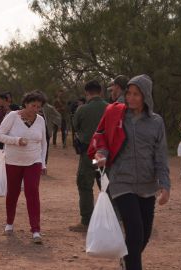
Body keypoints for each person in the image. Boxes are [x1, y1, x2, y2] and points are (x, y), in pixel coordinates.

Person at [92, 74, 171, 270]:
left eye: (137, 94)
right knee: (135, 231)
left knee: (143, 235)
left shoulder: (156, 122)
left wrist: (165, 185)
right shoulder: (114, 114)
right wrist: (100, 155)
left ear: (146, 96)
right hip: (121, 181)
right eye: (129, 93)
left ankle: (126, 259)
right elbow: (101, 137)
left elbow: (161, 155)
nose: (131, 98)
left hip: (147, 184)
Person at [0, 90, 47, 244]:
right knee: (13, 192)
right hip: (13, 161)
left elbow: (44, 143)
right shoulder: (12, 116)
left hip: (34, 161)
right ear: (25, 103)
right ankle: (9, 223)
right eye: (33, 105)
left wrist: (43, 162)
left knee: (32, 192)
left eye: (38, 107)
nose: (35, 109)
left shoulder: (40, 120)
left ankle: (36, 230)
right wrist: (16, 140)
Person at [69, 80, 108, 232]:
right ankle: (115, 218)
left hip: (89, 154)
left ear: (87, 93)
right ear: (101, 92)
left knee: (85, 184)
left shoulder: (82, 109)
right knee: (106, 184)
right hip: (105, 155)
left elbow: (76, 126)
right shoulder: (110, 108)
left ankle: (87, 221)